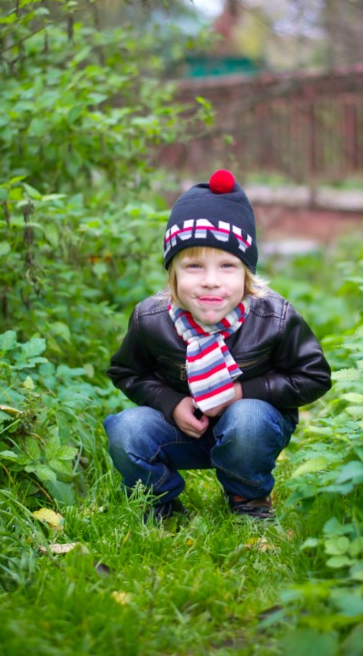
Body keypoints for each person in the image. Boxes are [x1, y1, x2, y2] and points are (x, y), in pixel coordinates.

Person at [104, 170, 331, 521]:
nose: (211, 281)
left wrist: (240, 393)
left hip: (251, 431)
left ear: (246, 273)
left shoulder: (274, 317)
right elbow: (127, 372)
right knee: (126, 429)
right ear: (173, 273)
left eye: (227, 265)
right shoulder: (151, 319)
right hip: (183, 429)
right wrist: (171, 403)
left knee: (248, 418)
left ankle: (246, 495)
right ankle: (159, 498)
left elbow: (314, 376)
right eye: (194, 266)